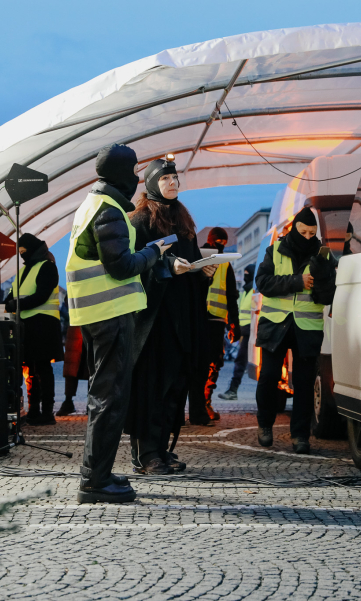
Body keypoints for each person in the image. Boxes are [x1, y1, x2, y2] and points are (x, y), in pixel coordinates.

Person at [65, 143, 165, 504]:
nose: (138, 177)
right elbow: (120, 266)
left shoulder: (94, 204)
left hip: (97, 315)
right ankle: (94, 482)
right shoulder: (106, 209)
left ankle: (98, 473)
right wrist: (153, 254)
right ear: (122, 173)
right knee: (110, 397)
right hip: (107, 315)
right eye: (134, 170)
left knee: (103, 396)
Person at [126, 155, 209, 475]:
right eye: (165, 179)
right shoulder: (139, 221)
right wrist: (166, 267)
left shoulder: (183, 220)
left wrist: (203, 272)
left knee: (175, 385)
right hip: (152, 322)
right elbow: (131, 268)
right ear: (150, 183)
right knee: (151, 386)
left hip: (181, 320)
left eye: (175, 179)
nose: (173, 183)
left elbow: (192, 262)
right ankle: (146, 454)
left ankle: (161, 448)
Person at [254, 207, 337, 454]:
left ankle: (300, 436)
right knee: (269, 377)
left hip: (307, 327)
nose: (308, 237)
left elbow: (327, 297)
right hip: (276, 324)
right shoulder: (275, 250)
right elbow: (262, 283)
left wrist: (322, 278)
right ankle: (265, 425)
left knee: (303, 384)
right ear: (294, 229)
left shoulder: (323, 255)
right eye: (304, 232)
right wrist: (296, 281)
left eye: (312, 233)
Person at [4, 233, 63, 426]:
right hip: (26, 325)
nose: (22, 256)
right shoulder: (22, 272)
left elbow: (41, 295)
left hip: (44, 325)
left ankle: (47, 412)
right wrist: (10, 303)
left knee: (42, 369)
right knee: (29, 368)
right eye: (20, 253)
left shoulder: (47, 267)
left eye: (24, 252)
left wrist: (15, 304)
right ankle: (33, 411)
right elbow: (11, 295)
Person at [191, 227, 240, 423]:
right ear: (211, 240)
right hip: (204, 320)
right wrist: (234, 325)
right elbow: (232, 297)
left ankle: (203, 404)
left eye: (223, 242)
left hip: (212, 320)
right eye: (218, 241)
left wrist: (234, 324)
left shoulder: (224, 263)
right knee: (204, 364)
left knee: (211, 364)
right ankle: (201, 406)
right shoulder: (198, 258)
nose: (220, 245)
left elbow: (231, 295)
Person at [218, 263, 255, 401]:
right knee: (241, 361)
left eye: (247, 273)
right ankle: (233, 389)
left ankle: (233, 390)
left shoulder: (252, 291)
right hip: (244, 331)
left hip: (251, 332)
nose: (245, 276)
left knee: (241, 361)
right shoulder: (246, 291)